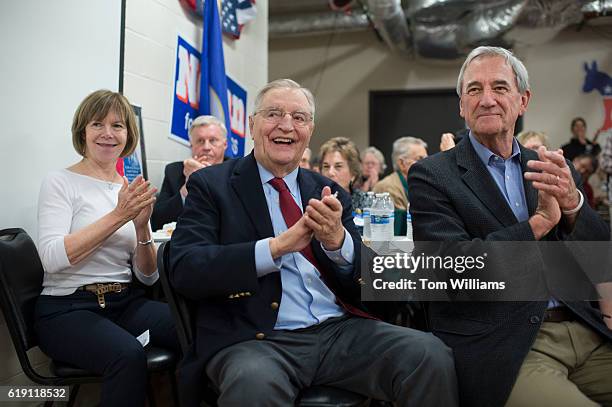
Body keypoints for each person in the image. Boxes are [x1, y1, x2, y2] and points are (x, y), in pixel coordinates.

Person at [169, 79, 458, 407]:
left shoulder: (328, 191)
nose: (287, 126)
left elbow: (372, 280)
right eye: (274, 114)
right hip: (257, 340)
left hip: (337, 331)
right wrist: (275, 248)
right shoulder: (212, 185)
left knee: (429, 356)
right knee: (253, 386)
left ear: (310, 130)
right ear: (251, 125)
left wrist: (339, 244)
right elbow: (185, 268)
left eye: (299, 117)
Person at [408, 46, 612, 407]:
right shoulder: (432, 174)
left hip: (585, 329)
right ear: (461, 105)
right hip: (505, 345)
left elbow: (601, 256)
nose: (486, 100)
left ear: (523, 100)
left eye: (500, 88)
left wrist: (573, 205)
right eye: (474, 90)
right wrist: (535, 226)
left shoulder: (548, 165)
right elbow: (451, 270)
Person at [35, 90, 179, 407]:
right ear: (82, 132)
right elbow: (52, 259)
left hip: (122, 303)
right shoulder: (59, 182)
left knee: (192, 325)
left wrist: (142, 226)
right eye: (97, 124)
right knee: (126, 356)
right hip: (67, 310)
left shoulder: (125, 189)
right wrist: (119, 216)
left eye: (117, 125)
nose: (107, 134)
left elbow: (149, 277)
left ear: (128, 134)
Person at [151, 115, 227, 230]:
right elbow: (157, 220)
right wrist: (187, 186)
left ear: (225, 145)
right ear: (192, 145)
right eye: (200, 141)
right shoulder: (174, 171)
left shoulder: (238, 171)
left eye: (213, 140)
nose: (206, 147)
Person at [374, 136, 427, 234]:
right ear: (402, 163)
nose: (427, 164)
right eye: (420, 159)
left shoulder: (420, 184)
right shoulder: (387, 187)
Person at [319, 137, 367, 211]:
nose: (330, 172)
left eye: (338, 166)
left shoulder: (365, 203)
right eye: (326, 166)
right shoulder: (313, 200)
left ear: (353, 173)